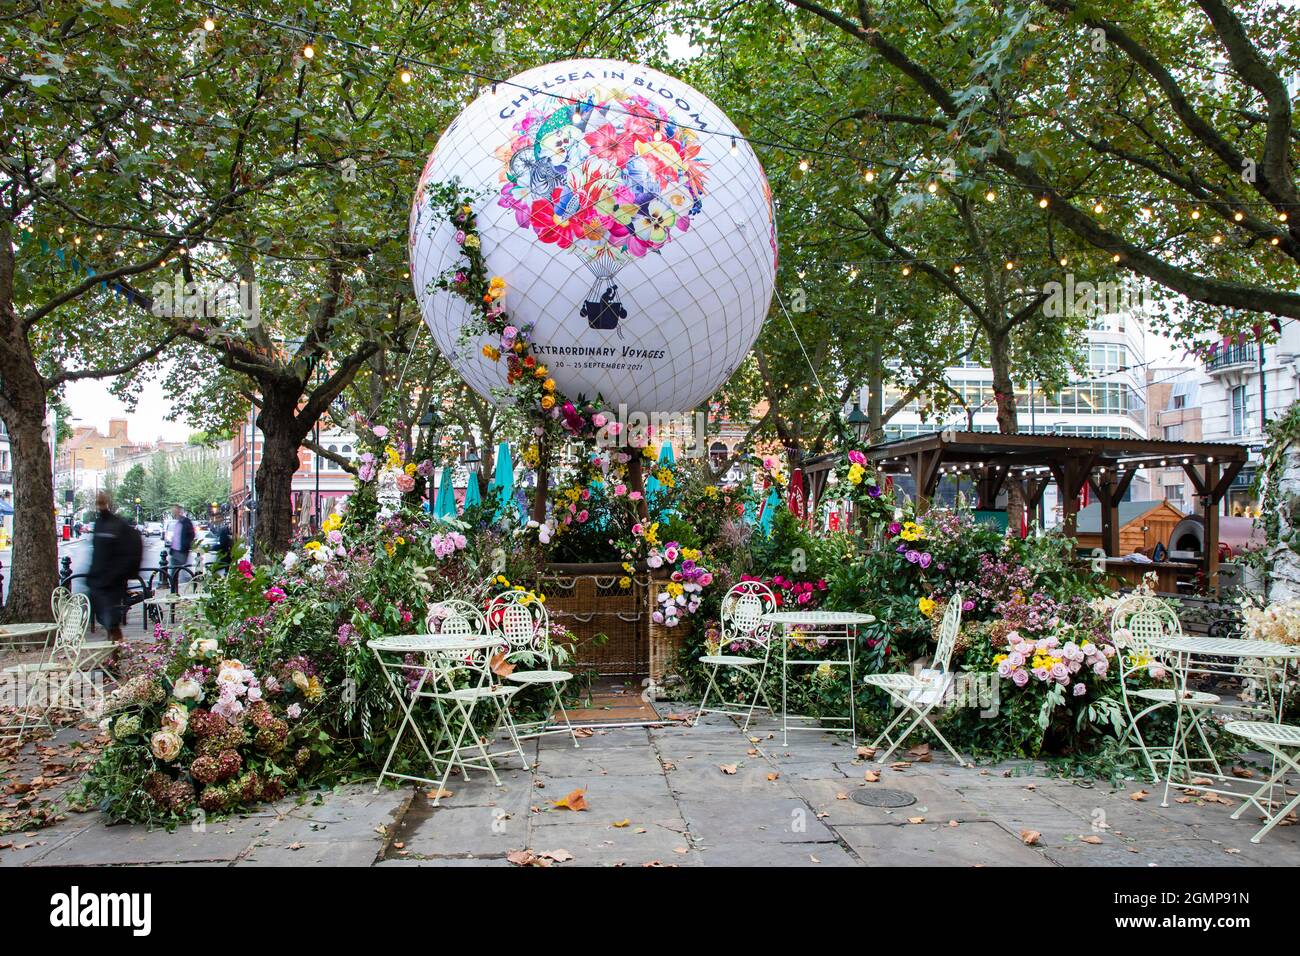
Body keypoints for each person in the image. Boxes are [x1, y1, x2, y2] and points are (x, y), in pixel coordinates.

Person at [86, 492, 143, 641]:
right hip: (101, 580)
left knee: (111, 621)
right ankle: (112, 649)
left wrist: (118, 574)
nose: (100, 505)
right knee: (106, 619)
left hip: (111, 582)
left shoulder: (117, 525)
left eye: (102, 502)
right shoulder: (101, 524)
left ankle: (114, 653)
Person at [167, 504, 195, 591]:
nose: (173, 512)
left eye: (175, 510)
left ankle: (179, 590)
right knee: (174, 572)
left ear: (179, 511)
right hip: (175, 551)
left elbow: (192, 534)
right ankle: (174, 591)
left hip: (181, 551)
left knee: (179, 571)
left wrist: (186, 545)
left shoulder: (185, 521)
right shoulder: (178, 522)